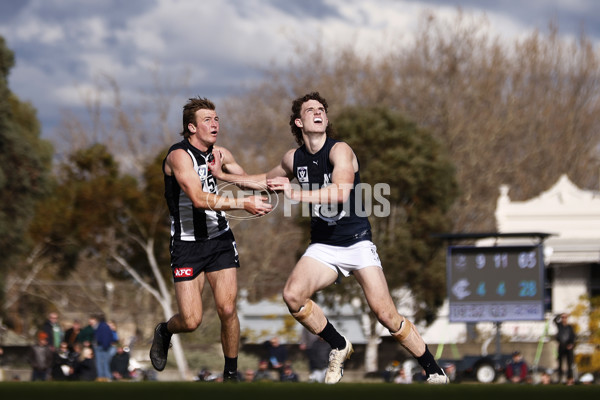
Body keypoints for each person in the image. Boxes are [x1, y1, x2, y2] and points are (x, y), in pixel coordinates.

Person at [209, 91, 448, 384]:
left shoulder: (340, 151)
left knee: (386, 315)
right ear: (299, 122)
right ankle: (338, 344)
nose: (318, 112)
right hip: (324, 245)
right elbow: (263, 182)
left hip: (357, 241)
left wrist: (296, 193)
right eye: (310, 110)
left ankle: (433, 370)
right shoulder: (292, 158)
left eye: (321, 108)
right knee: (293, 296)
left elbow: (340, 191)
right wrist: (223, 175)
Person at [149, 97, 272, 382]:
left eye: (216, 119)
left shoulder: (221, 154)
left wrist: (291, 176)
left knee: (227, 308)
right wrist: (244, 204)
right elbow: (198, 198)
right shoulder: (178, 156)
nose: (215, 124)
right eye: (207, 120)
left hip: (219, 240)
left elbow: (247, 180)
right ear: (191, 127)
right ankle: (165, 330)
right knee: (191, 321)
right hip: (186, 245)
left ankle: (230, 375)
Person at [554, 313, 576, 385]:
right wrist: (559, 315)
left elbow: (573, 336)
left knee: (569, 364)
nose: (564, 319)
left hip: (568, 347)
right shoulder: (559, 326)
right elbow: (554, 320)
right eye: (563, 317)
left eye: (565, 317)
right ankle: (559, 378)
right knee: (560, 363)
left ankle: (570, 378)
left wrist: (571, 344)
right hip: (561, 346)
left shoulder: (570, 327)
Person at [93, 314, 115, 381]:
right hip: (106, 347)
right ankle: (107, 377)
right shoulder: (107, 327)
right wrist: (106, 345)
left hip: (99, 346)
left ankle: (101, 376)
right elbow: (111, 337)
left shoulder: (98, 326)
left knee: (99, 362)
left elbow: (97, 337)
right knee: (106, 362)